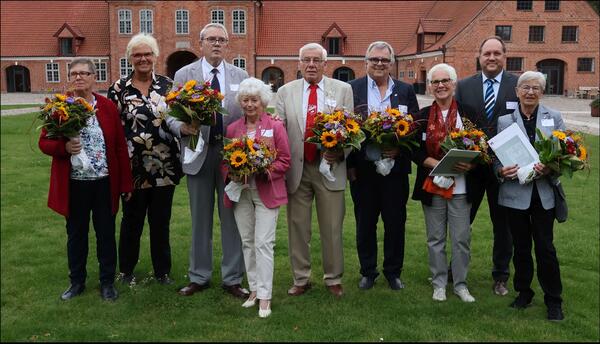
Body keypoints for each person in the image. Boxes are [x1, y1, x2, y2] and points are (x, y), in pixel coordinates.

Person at [39, 58, 133, 301]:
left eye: (84, 73)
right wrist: (64, 147)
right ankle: (77, 282)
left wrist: (125, 184)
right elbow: (44, 142)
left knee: (105, 234)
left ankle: (107, 283)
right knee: (76, 234)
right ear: (70, 78)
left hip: (104, 182)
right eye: (74, 73)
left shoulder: (107, 107)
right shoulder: (59, 108)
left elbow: (120, 148)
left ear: (94, 77)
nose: (79, 77)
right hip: (74, 184)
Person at [173, 23, 250, 299]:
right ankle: (199, 276)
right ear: (201, 42)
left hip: (231, 155)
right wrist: (181, 128)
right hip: (198, 151)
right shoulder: (185, 74)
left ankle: (232, 278)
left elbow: (250, 112)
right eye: (211, 39)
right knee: (200, 219)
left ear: (227, 45)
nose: (216, 44)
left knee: (231, 217)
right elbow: (171, 114)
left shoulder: (240, 74)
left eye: (222, 40)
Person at [275, 43, 353, 297]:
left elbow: (352, 129)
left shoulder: (343, 89)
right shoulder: (285, 92)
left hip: (329, 168)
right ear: (298, 64)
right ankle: (301, 277)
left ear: (324, 64)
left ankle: (333, 278)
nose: (311, 64)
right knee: (298, 227)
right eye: (306, 60)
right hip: (298, 170)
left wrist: (339, 151)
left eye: (316, 60)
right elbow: (279, 132)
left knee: (332, 227)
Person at [108, 33, 184, 286]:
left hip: (165, 166)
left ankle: (162, 272)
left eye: (147, 54)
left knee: (161, 222)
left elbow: (179, 120)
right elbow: (114, 131)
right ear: (130, 58)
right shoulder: (118, 89)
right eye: (138, 54)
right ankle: (126, 270)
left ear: (155, 56)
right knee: (132, 221)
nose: (143, 59)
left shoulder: (168, 86)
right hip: (133, 168)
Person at [347, 41, 419, 290]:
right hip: (363, 170)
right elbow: (345, 129)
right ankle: (368, 271)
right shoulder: (352, 89)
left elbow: (415, 127)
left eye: (384, 60)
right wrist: (349, 166)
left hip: (395, 170)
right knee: (365, 222)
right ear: (365, 62)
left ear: (391, 63)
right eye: (375, 59)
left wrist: (400, 148)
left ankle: (393, 271)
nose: (379, 64)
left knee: (395, 222)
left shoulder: (405, 90)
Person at [496, 71, 565, 321]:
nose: (530, 92)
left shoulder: (553, 118)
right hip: (515, 194)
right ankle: (524, 292)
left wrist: (550, 166)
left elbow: (565, 155)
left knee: (546, 248)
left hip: (543, 194)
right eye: (525, 87)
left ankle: (554, 300)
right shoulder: (504, 121)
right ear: (517, 91)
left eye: (536, 88)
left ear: (542, 92)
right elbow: (495, 158)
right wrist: (501, 171)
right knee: (521, 248)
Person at [222, 77, 291, 318]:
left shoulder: (275, 126)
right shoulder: (233, 129)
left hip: (266, 190)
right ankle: (253, 290)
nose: (250, 104)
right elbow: (225, 162)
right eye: (245, 100)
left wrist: (264, 170)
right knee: (247, 242)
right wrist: (233, 171)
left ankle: (265, 296)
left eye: (254, 100)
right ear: (240, 102)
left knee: (264, 243)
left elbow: (285, 160)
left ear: (263, 102)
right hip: (241, 192)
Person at [455, 36, 518, 296]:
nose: (491, 58)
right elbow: (456, 123)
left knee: (502, 225)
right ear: (479, 57)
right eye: (487, 54)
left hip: (505, 167)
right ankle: (455, 270)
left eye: (496, 53)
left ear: (504, 56)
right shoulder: (464, 86)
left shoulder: (518, 85)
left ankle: (501, 276)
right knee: (462, 221)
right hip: (472, 167)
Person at [412, 63, 477, 303]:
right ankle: (439, 283)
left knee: (461, 239)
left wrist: (471, 164)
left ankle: (460, 284)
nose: (440, 86)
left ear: (454, 84)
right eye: (435, 82)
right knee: (435, 238)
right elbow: (414, 151)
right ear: (430, 87)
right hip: (433, 187)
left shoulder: (469, 114)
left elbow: (482, 147)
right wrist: (432, 163)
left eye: (445, 81)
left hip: (461, 188)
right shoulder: (421, 117)